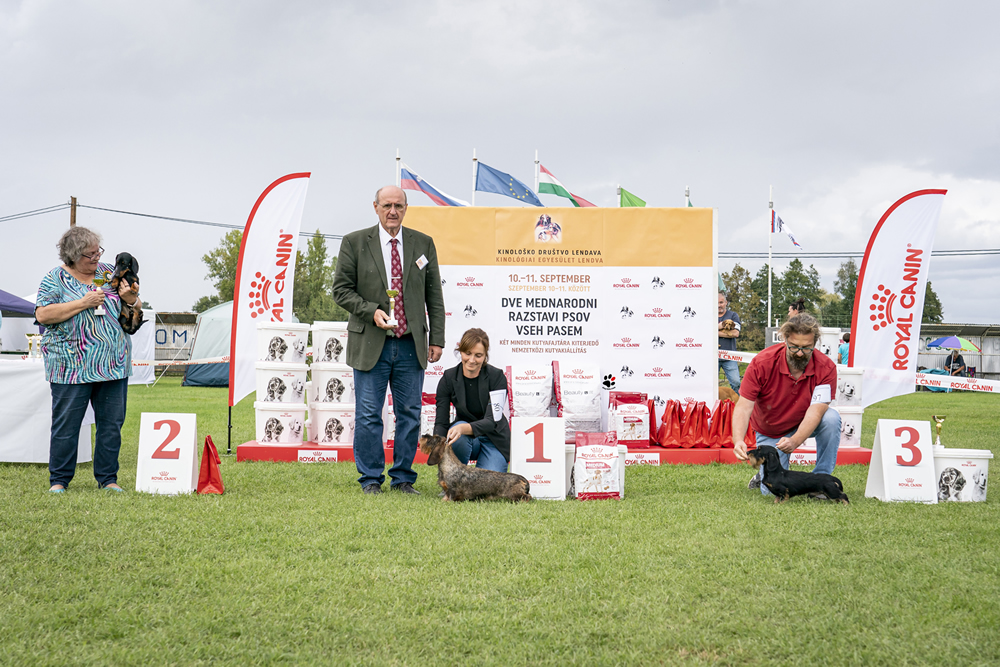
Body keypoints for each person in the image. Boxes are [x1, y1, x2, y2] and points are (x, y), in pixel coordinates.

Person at [333, 185, 446, 495]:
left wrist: (437, 338)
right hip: (371, 343)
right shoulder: (354, 243)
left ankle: (403, 478)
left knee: (410, 414)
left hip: (411, 345)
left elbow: (434, 295)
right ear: (375, 207)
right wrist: (371, 312)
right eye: (387, 205)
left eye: (398, 205)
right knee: (369, 414)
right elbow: (341, 290)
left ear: (406, 208)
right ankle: (370, 478)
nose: (392, 211)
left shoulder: (423, 243)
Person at [34, 227, 139, 493]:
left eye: (97, 252)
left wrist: (131, 300)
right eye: (89, 254)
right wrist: (84, 302)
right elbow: (44, 315)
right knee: (66, 426)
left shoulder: (108, 273)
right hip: (71, 366)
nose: (96, 258)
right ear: (72, 255)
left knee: (111, 426)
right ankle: (59, 480)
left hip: (113, 364)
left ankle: (108, 479)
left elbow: (132, 314)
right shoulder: (55, 278)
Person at [733, 313, 841, 496]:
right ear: (784, 339)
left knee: (831, 418)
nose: (800, 353)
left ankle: (820, 481)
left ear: (815, 343)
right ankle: (762, 476)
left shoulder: (826, 367)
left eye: (806, 348)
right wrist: (738, 440)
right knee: (771, 492)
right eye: (794, 347)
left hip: (805, 422)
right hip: (772, 430)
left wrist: (795, 440)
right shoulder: (761, 362)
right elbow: (744, 406)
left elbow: (816, 412)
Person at [434, 328, 511, 472]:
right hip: (464, 439)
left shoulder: (497, 377)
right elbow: (441, 422)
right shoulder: (448, 378)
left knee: (486, 491)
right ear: (460, 351)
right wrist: (438, 447)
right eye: (467, 353)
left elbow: (492, 420)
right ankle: (454, 480)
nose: (472, 360)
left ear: (485, 356)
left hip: (494, 439)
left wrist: (462, 428)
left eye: (478, 355)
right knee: (457, 433)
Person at [717, 291, 741, 392]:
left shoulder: (733, 315)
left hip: (729, 356)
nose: (719, 305)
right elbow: (703, 332)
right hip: (712, 357)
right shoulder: (709, 316)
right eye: (716, 303)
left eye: (721, 302)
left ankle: (738, 406)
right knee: (711, 384)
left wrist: (714, 330)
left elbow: (736, 333)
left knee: (736, 383)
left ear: (726, 302)